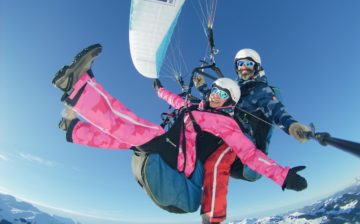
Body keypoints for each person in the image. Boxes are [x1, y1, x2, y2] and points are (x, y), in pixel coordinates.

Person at [52, 44, 308, 223]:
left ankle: (78, 88)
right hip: (173, 157)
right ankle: (73, 129)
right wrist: (159, 90)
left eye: (223, 95)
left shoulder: (230, 122)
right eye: (214, 92)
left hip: (183, 166)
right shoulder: (199, 106)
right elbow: (177, 102)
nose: (215, 97)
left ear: (231, 102)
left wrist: (284, 175)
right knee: (130, 139)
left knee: (146, 132)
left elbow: (251, 153)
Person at [194, 48, 310, 223]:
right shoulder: (237, 89)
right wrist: (202, 86)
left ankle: (212, 217)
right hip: (233, 147)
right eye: (241, 64)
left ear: (256, 67)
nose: (244, 68)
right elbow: (217, 101)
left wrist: (292, 126)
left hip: (248, 158)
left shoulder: (260, 90)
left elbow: (277, 111)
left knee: (219, 156)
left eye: (249, 64)